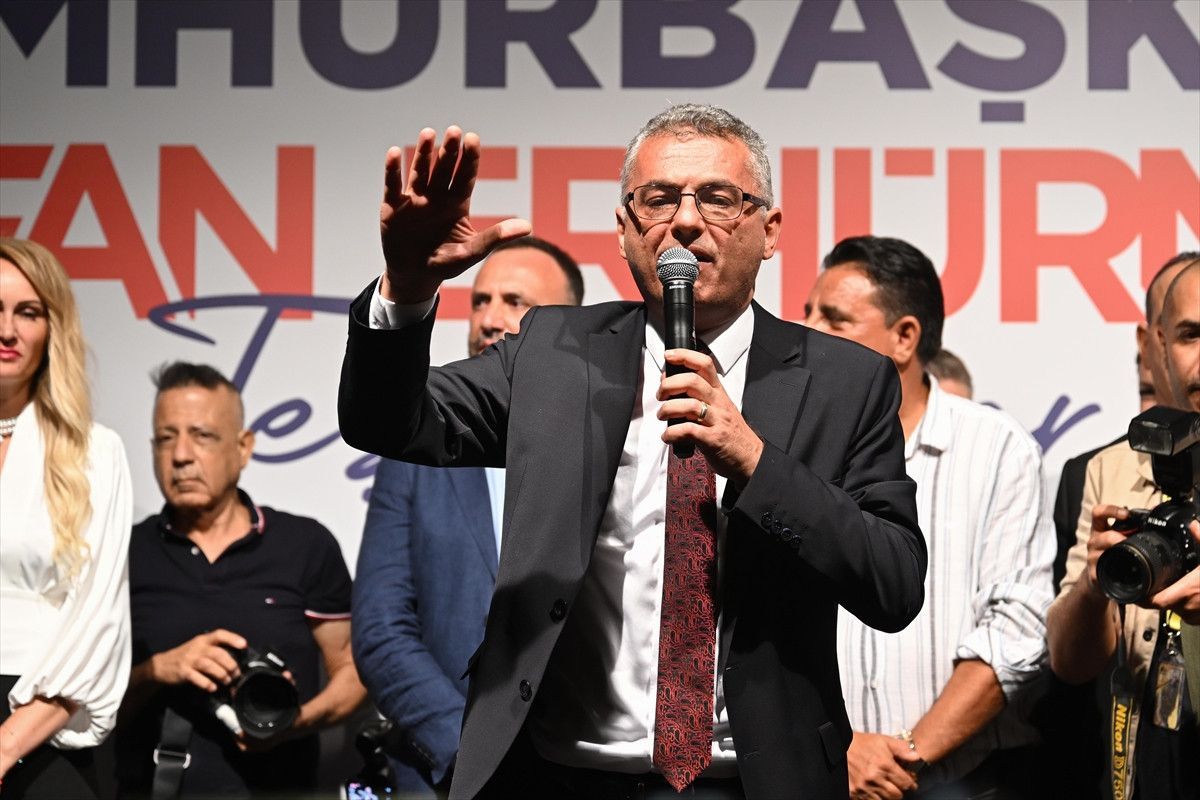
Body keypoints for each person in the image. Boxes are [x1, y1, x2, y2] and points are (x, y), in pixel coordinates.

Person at [338, 104, 926, 799]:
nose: (685, 222)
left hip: (752, 782)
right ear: (623, 230)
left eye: (718, 198)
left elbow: (894, 584)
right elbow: (389, 423)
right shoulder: (553, 351)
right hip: (563, 778)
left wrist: (754, 460)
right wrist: (408, 287)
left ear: (769, 231)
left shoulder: (845, 380)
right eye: (658, 199)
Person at [804, 236, 1055, 800]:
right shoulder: (781, 449)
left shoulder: (997, 447)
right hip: (821, 778)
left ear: (904, 337)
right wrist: (842, 749)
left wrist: (905, 756)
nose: (808, 331)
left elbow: (1015, 629)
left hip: (964, 782)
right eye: (808, 312)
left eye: (835, 319)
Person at [353, 235, 583, 796]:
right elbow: (382, 630)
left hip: (580, 771)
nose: (489, 318)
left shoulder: (609, 447)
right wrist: (467, 749)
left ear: (570, 327)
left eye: (515, 302)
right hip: (447, 776)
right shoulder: (413, 451)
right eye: (480, 300)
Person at [115, 362, 366, 798]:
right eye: (166, 438)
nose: (181, 456)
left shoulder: (303, 545)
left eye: (202, 436)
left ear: (243, 447)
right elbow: (81, 701)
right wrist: (160, 669)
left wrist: (291, 724)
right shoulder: (124, 552)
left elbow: (353, 670)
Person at [1047, 260, 1200, 800]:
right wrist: (1094, 587)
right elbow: (1069, 664)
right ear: (1157, 343)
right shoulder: (1108, 470)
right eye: (1191, 335)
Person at [0, 238, 133, 798]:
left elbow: (98, 624)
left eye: (28, 312)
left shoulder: (95, 453)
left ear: (53, 328)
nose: (7, 331)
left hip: (40, 723)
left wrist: (4, 746)